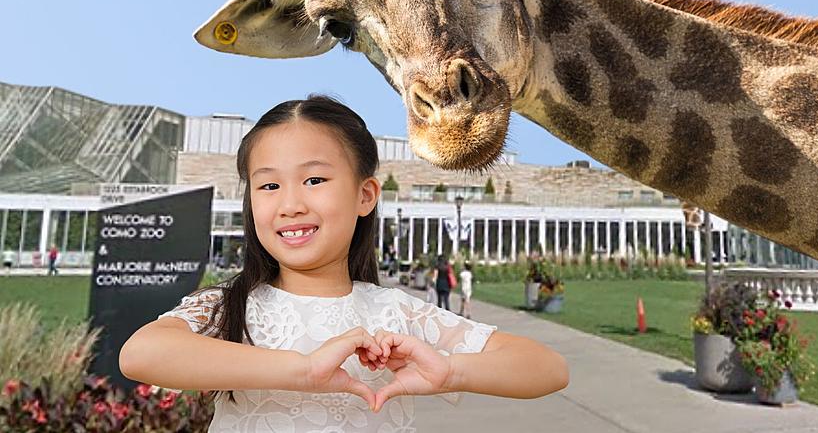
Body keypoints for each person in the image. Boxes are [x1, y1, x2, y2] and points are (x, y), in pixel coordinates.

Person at [119, 95, 567, 431]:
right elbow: (141, 353)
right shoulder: (233, 305)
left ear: (364, 195)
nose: (290, 204)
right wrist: (303, 370)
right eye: (269, 186)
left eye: (315, 180)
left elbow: (547, 368)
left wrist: (450, 370)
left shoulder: (393, 316)